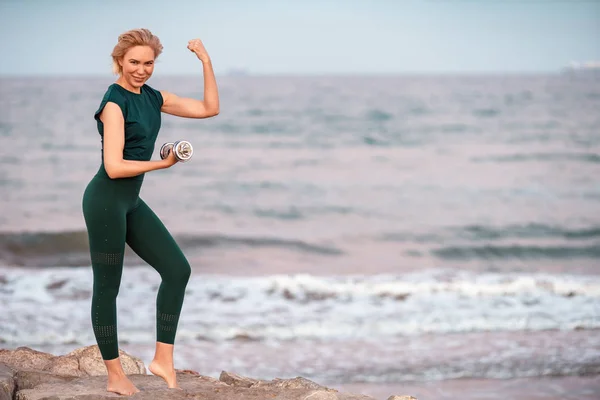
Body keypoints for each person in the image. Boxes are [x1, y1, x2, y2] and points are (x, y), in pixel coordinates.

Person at [81, 28, 219, 396]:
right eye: (134, 63)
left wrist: (205, 60)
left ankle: (162, 358)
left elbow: (209, 109)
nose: (141, 70)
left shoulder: (153, 97)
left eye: (148, 63)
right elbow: (113, 166)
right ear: (119, 62)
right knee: (108, 287)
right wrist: (164, 165)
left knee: (177, 270)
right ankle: (114, 376)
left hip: (131, 201)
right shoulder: (114, 103)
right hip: (106, 201)